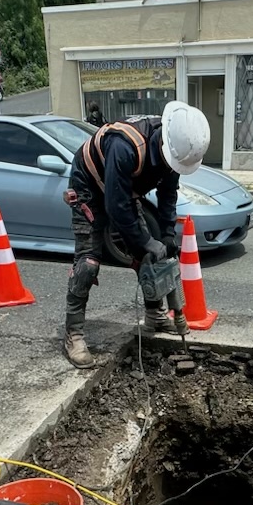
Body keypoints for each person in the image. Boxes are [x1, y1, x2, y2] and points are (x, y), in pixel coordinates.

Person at [63, 101, 211, 368]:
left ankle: (154, 315)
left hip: (122, 188)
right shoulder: (126, 147)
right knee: (88, 263)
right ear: (164, 144)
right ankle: (73, 334)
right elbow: (115, 207)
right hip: (89, 186)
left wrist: (166, 236)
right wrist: (144, 240)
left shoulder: (173, 154)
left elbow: (168, 196)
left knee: (150, 256)